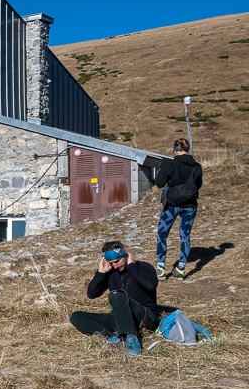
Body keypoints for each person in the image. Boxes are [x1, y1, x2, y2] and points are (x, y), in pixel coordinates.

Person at [69, 241, 159, 357]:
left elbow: (151, 285)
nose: (114, 266)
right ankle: (113, 337)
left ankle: (131, 339)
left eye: (117, 261)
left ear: (125, 255)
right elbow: (91, 294)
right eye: (111, 263)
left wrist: (132, 267)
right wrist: (101, 273)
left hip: (145, 316)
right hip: (121, 319)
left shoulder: (143, 267)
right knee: (76, 316)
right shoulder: (111, 272)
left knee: (117, 295)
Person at [154, 138, 203, 280]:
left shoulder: (169, 163)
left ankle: (161, 268)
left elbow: (159, 183)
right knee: (185, 235)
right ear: (188, 149)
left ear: (174, 149)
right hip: (190, 205)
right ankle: (181, 267)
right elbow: (198, 185)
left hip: (172, 205)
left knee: (162, 234)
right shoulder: (197, 166)